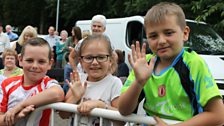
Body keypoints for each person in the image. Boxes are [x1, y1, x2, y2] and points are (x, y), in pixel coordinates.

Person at [118, 2, 224, 126]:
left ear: (185, 33)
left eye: (168, 33)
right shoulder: (144, 64)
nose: (161, 41)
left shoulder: (193, 63)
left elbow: (218, 115)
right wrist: (139, 82)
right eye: (153, 36)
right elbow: (123, 110)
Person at [59, 34, 123, 126]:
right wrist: (75, 98)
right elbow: (63, 115)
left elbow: (121, 120)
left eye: (101, 57)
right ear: (81, 61)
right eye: (88, 58)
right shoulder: (79, 80)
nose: (95, 62)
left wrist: (101, 105)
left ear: (110, 60)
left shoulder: (114, 83)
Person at [0, 37, 64, 126]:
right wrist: (17, 116)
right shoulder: (7, 84)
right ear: (20, 60)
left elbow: (58, 93)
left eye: (41, 61)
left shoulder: (47, 84)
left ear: (50, 63)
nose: (35, 66)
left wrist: (21, 105)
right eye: (29, 60)